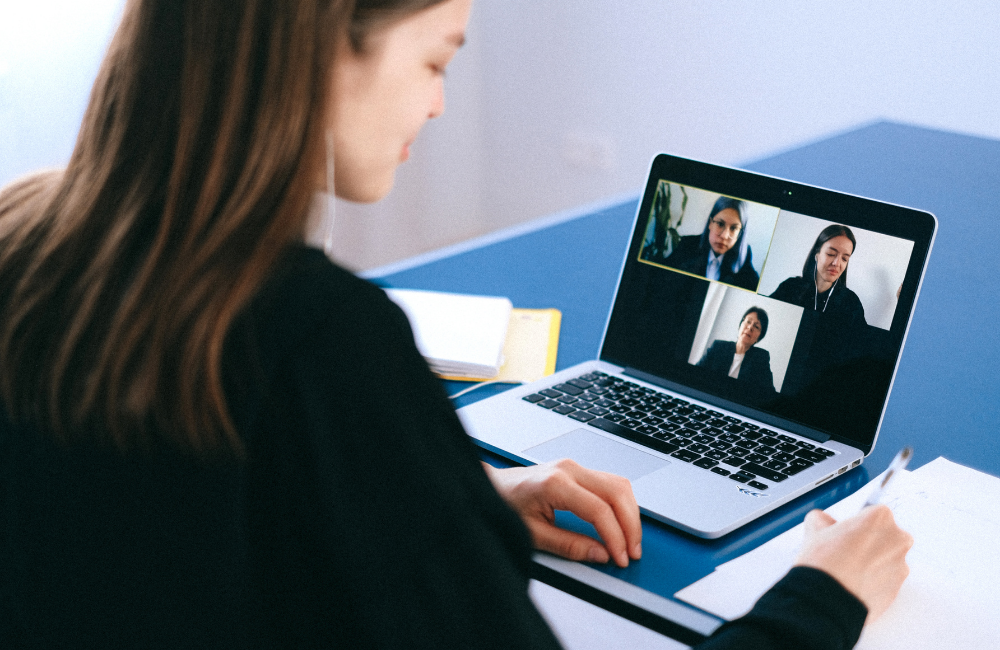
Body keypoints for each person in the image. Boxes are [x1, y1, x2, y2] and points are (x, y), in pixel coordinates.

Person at [0, 1, 911, 648]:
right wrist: (824, 596)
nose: (438, 103)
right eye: (436, 58)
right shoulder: (322, 339)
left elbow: (180, 512)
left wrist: (453, 497)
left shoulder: (24, 238)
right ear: (322, 43)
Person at [769, 224, 867, 326]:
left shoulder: (851, 302)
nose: (837, 263)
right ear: (817, 254)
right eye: (831, 254)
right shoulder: (790, 287)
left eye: (844, 259)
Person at [663, 196, 760, 290]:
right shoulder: (688, 245)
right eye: (720, 224)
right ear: (710, 223)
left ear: (740, 233)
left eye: (733, 228)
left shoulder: (744, 256)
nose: (724, 236)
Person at [698, 307, 775, 391]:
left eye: (756, 327)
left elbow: (768, 392)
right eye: (748, 322)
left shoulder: (760, 358)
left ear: (759, 337)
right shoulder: (718, 347)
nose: (750, 327)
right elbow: (696, 373)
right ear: (740, 325)